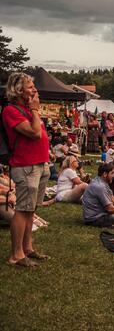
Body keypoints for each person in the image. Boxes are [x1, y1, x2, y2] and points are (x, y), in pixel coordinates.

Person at [1, 72, 52, 267]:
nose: (35, 90)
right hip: (25, 166)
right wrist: (36, 110)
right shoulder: (11, 110)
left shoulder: (26, 109)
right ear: (19, 90)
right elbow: (35, 133)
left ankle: (28, 248)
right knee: (22, 209)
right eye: (30, 87)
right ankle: (16, 255)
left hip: (39, 164)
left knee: (31, 209)